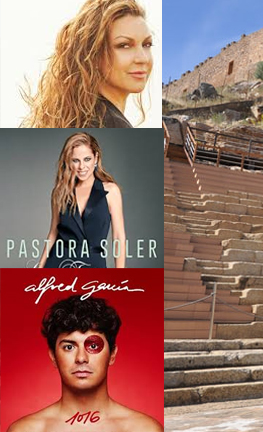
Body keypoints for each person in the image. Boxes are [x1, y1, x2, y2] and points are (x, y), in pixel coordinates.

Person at [7, 295, 162, 432]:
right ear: (53, 356)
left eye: (93, 346)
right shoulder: (25, 430)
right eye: (69, 347)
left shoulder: (145, 429)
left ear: (112, 354)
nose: (81, 358)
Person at [21, 0, 153, 128]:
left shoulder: (83, 119)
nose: (143, 58)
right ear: (93, 54)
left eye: (147, 44)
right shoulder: (111, 124)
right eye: (124, 45)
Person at [35, 132, 127, 269]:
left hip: (94, 265)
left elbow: (119, 236)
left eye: (87, 159)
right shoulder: (59, 192)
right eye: (75, 160)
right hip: (59, 264)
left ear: (96, 158)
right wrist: (40, 266)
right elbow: (53, 231)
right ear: (68, 162)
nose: (82, 167)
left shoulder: (111, 191)